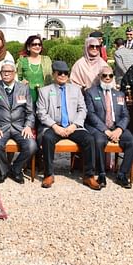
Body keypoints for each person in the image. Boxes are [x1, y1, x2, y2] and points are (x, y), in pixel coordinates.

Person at [36, 60, 101, 190]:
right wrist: (55, 126)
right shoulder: (44, 91)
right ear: (54, 74)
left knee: (89, 139)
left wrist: (75, 125)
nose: (63, 75)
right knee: (47, 138)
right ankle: (48, 174)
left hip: (73, 126)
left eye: (66, 73)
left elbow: (83, 110)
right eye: (60, 73)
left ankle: (89, 176)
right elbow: (41, 112)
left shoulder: (76, 90)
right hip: (54, 126)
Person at [85, 65, 133, 188]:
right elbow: (91, 114)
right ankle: (102, 174)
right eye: (104, 75)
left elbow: (126, 115)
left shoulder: (119, 94)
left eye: (110, 75)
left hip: (117, 127)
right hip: (99, 127)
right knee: (98, 141)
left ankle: (122, 174)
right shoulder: (90, 92)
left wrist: (119, 129)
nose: (107, 78)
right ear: (99, 77)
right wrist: (105, 130)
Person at [0, 63, 38, 184]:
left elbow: (30, 111)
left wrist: (28, 126)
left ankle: (16, 169)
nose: (7, 73)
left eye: (9, 71)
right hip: (1, 126)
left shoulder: (23, 88)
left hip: (20, 127)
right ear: (0, 74)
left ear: (14, 73)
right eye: (4, 71)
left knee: (32, 146)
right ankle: (3, 171)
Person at [16, 34, 53, 105]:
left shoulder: (46, 59)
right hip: (27, 95)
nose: (37, 46)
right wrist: (21, 81)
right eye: (34, 44)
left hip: (44, 94)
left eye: (39, 44)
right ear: (28, 47)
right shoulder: (22, 61)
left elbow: (51, 78)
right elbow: (17, 77)